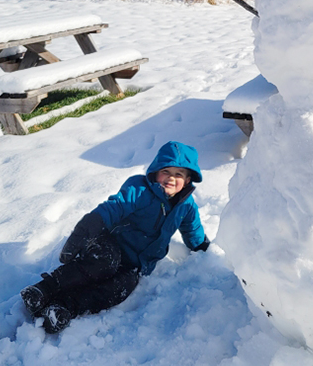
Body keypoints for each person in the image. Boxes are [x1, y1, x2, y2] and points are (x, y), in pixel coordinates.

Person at [21, 140, 209, 333]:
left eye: (179, 174)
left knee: (120, 288)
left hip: (136, 264)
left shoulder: (187, 206)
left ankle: (65, 307)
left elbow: (192, 229)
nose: (171, 178)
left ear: (187, 180)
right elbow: (115, 207)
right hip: (110, 244)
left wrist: (202, 245)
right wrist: (89, 225)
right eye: (166, 171)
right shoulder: (140, 189)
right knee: (103, 263)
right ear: (156, 171)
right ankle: (45, 289)